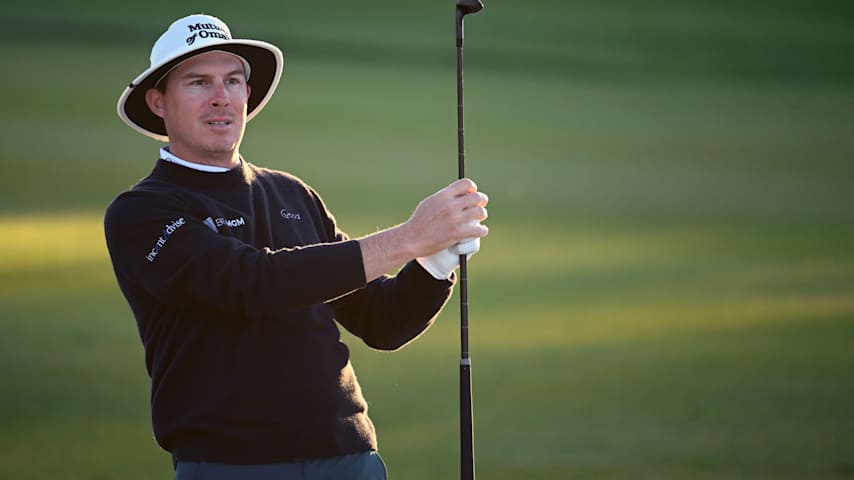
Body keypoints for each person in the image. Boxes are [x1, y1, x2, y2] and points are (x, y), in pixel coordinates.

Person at [103, 13, 489, 480]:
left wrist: (434, 261)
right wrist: (409, 236)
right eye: (198, 82)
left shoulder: (291, 194)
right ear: (158, 101)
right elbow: (252, 282)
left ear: (248, 94)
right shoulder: (141, 212)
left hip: (349, 457)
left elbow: (382, 321)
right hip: (229, 464)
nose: (221, 97)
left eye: (232, 81)